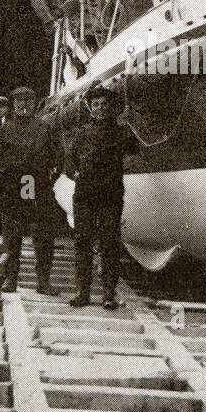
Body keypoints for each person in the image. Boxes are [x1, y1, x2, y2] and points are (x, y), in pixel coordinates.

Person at [65, 85, 138, 309]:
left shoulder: (120, 131)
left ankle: (108, 293)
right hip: (85, 194)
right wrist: (75, 173)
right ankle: (82, 291)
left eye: (104, 104)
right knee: (83, 242)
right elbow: (68, 161)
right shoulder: (81, 133)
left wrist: (129, 126)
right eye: (96, 104)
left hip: (110, 195)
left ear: (110, 107)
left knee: (109, 243)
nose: (100, 108)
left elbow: (134, 151)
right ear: (89, 107)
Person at [0, 86, 60, 295]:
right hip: (13, 189)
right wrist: (6, 178)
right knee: (11, 237)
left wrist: (49, 180)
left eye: (27, 101)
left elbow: (58, 157)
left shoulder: (44, 128)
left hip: (39, 188)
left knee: (44, 236)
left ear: (34, 103)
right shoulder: (5, 130)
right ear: (14, 105)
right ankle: (10, 279)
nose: (23, 105)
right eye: (19, 101)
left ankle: (44, 281)